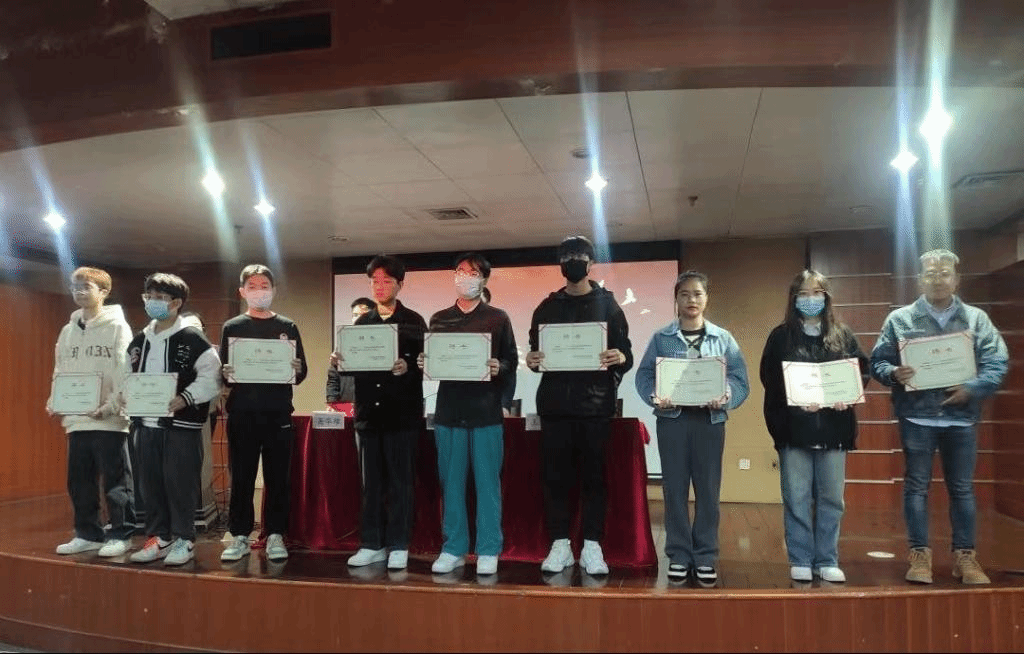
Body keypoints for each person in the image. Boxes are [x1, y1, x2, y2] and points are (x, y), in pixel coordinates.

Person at [870, 249, 1008, 585]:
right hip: (916, 417)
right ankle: (919, 556)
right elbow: (878, 362)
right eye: (930, 274)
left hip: (961, 418)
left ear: (956, 279)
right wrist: (893, 373)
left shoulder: (976, 319)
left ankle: (965, 557)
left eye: (945, 273)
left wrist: (973, 388)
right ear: (920, 280)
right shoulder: (900, 319)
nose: (937, 279)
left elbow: (997, 362)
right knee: (916, 487)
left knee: (962, 489)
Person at [525, 235, 632, 576]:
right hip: (555, 407)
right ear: (560, 264)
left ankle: (592, 546)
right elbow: (535, 353)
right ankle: (560, 545)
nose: (573, 261)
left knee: (594, 479)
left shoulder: (609, 306)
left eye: (580, 256)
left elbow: (625, 353)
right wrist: (532, 360)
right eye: (567, 256)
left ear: (591, 263)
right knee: (555, 478)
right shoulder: (546, 307)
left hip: (595, 408)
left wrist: (620, 357)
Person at [634, 270, 749, 587]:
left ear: (706, 298)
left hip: (709, 422)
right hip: (673, 421)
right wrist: (654, 395)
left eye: (697, 293)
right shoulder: (661, 338)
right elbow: (644, 376)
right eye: (684, 294)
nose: (691, 300)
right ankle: (679, 555)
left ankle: (706, 556)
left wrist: (726, 395)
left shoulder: (723, 338)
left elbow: (740, 380)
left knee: (708, 491)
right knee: (674, 490)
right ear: (676, 299)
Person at [759, 270, 870, 583]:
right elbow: (770, 379)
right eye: (804, 294)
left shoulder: (843, 335)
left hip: (834, 430)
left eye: (817, 293)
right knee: (796, 497)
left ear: (826, 297)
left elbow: (860, 371)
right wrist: (795, 400)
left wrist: (847, 395)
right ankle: (801, 558)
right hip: (794, 431)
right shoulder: (780, 336)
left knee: (832, 499)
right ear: (794, 299)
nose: (811, 299)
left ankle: (826, 559)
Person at [418, 252, 517, 576]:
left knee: (488, 485)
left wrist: (499, 369)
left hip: (486, 412)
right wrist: (424, 362)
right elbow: (433, 360)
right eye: (460, 271)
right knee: (451, 484)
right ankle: (453, 548)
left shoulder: (498, 318)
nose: (465, 277)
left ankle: (488, 549)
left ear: (484, 279)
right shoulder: (439, 319)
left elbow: (510, 362)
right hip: (449, 412)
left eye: (473, 273)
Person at [335, 256, 426, 571]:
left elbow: (427, 364)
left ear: (400, 284)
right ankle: (371, 543)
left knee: (401, 483)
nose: (380, 286)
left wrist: (408, 367)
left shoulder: (414, 321)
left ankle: (399, 544)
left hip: (402, 416)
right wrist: (340, 362)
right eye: (375, 281)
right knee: (370, 484)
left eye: (387, 280)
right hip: (368, 417)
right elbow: (354, 368)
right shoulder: (361, 323)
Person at [126, 273, 221, 566]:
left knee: (180, 484)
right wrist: (126, 397)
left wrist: (186, 398)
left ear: (177, 303)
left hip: (181, 426)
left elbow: (212, 376)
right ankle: (159, 537)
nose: (153, 302)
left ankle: (184, 539)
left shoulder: (192, 338)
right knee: (150, 485)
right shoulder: (139, 340)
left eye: (160, 297)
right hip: (146, 425)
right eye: (149, 297)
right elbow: (126, 375)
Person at [218, 264, 308, 563]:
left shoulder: (287, 326)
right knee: (241, 477)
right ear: (242, 291)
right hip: (242, 413)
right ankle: (240, 535)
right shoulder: (232, 327)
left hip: (277, 413)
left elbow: (301, 372)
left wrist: (296, 368)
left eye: (265, 286)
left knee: (278, 478)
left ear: (274, 290)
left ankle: (275, 534)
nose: (259, 291)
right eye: (253, 286)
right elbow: (223, 373)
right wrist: (226, 372)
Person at [47, 266, 136, 558]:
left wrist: (111, 406)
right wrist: (55, 399)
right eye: (75, 287)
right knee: (79, 481)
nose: (79, 292)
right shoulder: (67, 330)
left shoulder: (117, 327)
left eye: (86, 287)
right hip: (77, 420)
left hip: (109, 419)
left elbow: (125, 372)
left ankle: (121, 534)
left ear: (104, 291)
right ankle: (88, 533)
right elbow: (61, 370)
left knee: (115, 482)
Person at [326, 297, 376, 411]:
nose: (358, 319)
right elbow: (333, 379)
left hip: (374, 409)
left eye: (364, 315)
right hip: (347, 409)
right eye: (355, 315)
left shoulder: (383, 346)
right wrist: (332, 403)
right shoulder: (344, 345)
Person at [482, 286, 517, 417]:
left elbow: (510, 367)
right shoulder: (453, 327)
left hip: (491, 405)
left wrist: (505, 405)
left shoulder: (499, 329)